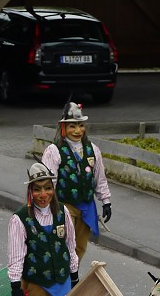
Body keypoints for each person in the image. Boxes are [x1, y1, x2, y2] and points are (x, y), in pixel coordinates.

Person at [7, 162, 80, 296]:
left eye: (47, 188)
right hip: (38, 284)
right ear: (30, 192)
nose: (43, 194)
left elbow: (70, 245)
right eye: (37, 189)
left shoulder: (63, 212)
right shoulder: (19, 219)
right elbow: (16, 257)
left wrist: (74, 275)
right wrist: (15, 287)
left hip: (63, 281)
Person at [40, 101, 111, 265]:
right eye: (72, 126)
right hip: (64, 205)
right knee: (66, 245)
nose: (77, 130)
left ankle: (72, 280)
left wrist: (106, 201)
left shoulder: (93, 149)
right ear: (63, 127)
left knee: (80, 247)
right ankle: (62, 281)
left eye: (80, 125)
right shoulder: (54, 151)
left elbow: (99, 177)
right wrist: (45, 207)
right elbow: (49, 182)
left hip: (86, 206)